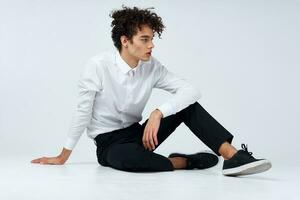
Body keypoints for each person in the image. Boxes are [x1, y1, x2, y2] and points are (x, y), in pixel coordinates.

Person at [31, 6, 271, 176]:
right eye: (144, 39)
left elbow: (192, 90)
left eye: (152, 39)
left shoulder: (152, 67)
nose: (151, 45)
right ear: (125, 41)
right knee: (130, 162)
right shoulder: (98, 66)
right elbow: (82, 112)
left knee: (188, 106)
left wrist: (159, 112)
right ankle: (184, 162)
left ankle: (233, 157)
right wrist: (63, 155)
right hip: (110, 145)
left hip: (139, 134)